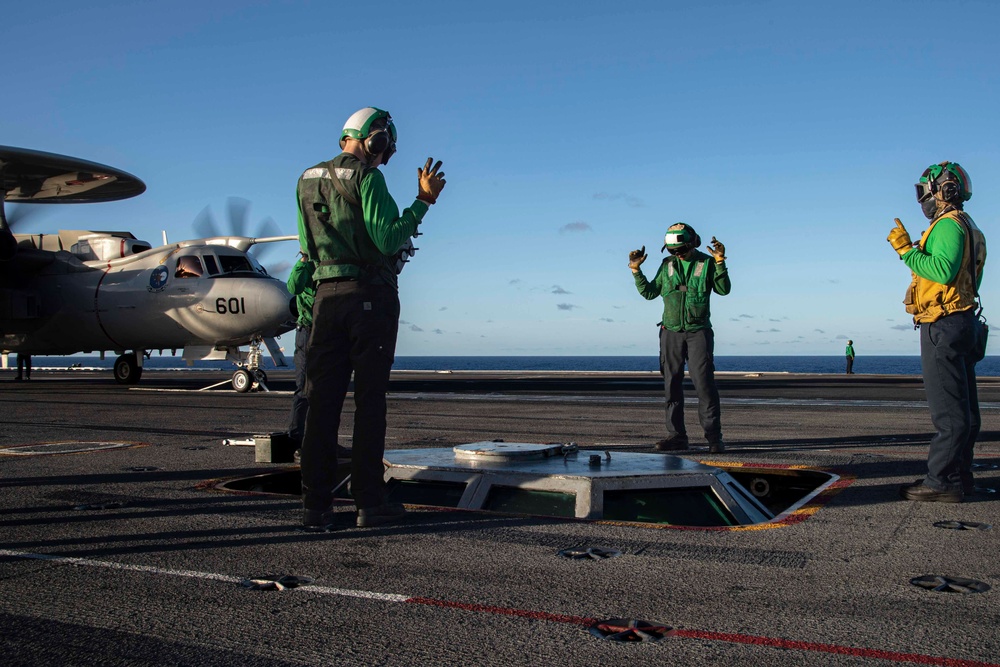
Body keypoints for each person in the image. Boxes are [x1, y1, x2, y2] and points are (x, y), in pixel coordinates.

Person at [296, 106, 445, 528]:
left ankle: (315, 506)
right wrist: (422, 202)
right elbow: (388, 237)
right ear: (374, 139)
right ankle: (368, 501)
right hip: (368, 299)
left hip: (325, 300)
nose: (384, 159)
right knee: (369, 402)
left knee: (322, 406)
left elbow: (306, 251)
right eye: (385, 149)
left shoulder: (305, 180)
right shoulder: (368, 177)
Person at [887, 161, 986, 503]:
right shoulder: (969, 227)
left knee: (948, 411)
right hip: (964, 321)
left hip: (942, 324)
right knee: (966, 409)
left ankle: (941, 479)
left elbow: (942, 272)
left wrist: (905, 251)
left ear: (944, 190)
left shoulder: (947, 226)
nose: (922, 198)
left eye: (924, 191)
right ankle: (961, 474)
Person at [629, 223, 731, 453]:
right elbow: (649, 293)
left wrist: (721, 262)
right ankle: (677, 436)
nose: (678, 255)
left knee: (704, 385)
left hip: (699, 332)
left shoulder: (707, 263)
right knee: (671, 386)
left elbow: (724, 290)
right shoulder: (667, 265)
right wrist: (635, 270)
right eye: (673, 251)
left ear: (693, 242)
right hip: (670, 333)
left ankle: (714, 438)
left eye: (681, 250)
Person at [286, 252, 316, 455]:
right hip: (307, 330)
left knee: (325, 390)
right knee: (304, 388)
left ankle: (320, 439)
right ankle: (297, 440)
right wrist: (304, 260)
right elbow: (294, 287)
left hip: (326, 331)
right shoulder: (307, 265)